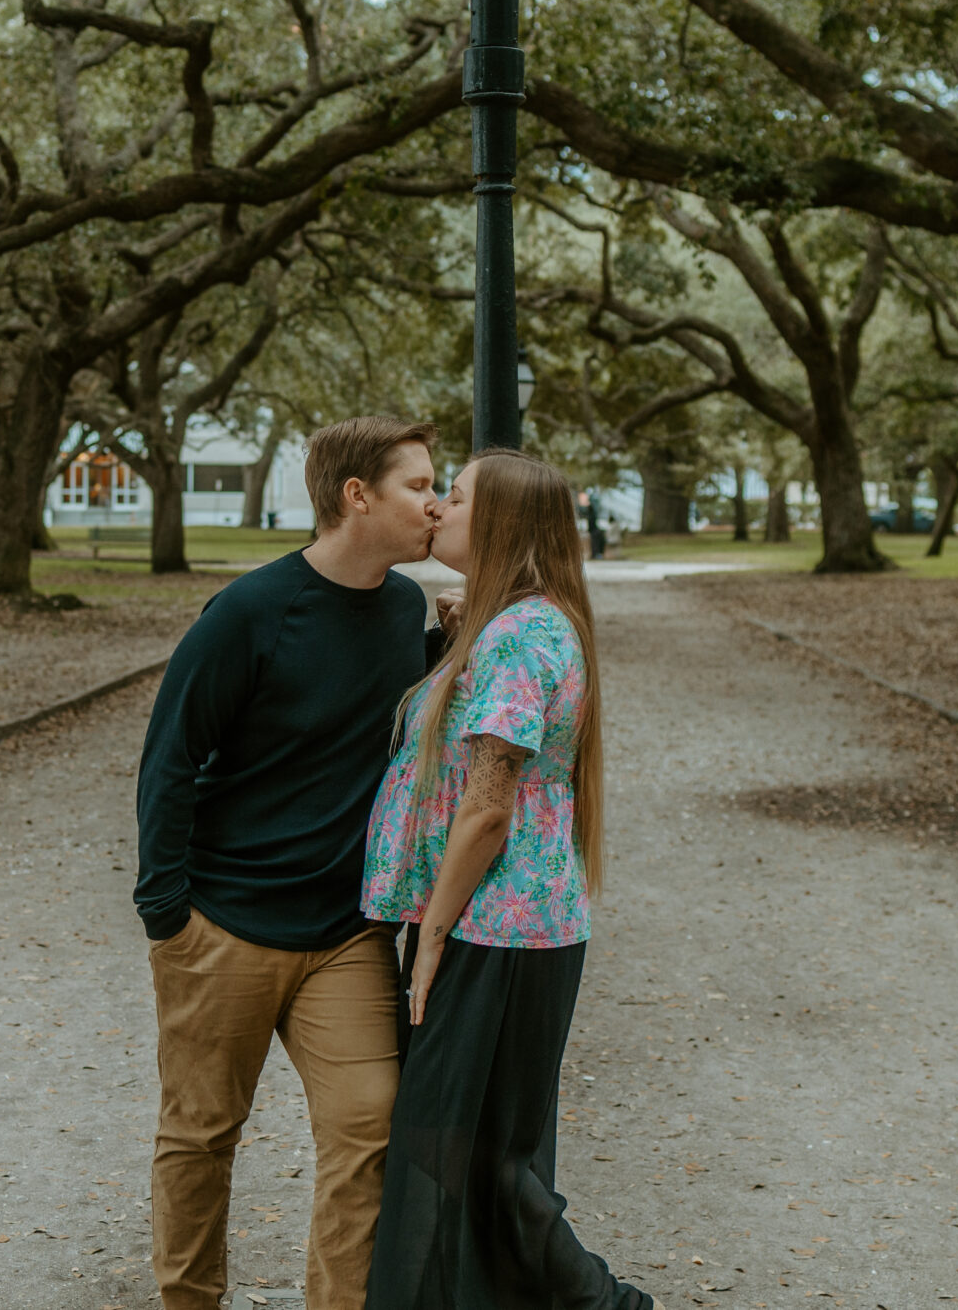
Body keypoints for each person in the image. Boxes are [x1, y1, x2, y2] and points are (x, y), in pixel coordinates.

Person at [133, 416, 445, 1310]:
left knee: (370, 1126)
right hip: (222, 924)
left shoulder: (402, 608)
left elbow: (384, 713)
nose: (435, 502)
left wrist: (447, 646)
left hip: (344, 931)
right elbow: (170, 760)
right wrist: (168, 915)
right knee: (199, 1136)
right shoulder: (248, 612)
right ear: (358, 496)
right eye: (418, 484)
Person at [359, 449, 655, 1310]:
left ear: (501, 524)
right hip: (507, 924)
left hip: (498, 928)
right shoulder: (515, 624)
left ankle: (608, 1303)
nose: (438, 510)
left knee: (466, 1148)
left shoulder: (525, 635)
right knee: (470, 1146)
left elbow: (488, 805)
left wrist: (434, 934)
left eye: (453, 497)